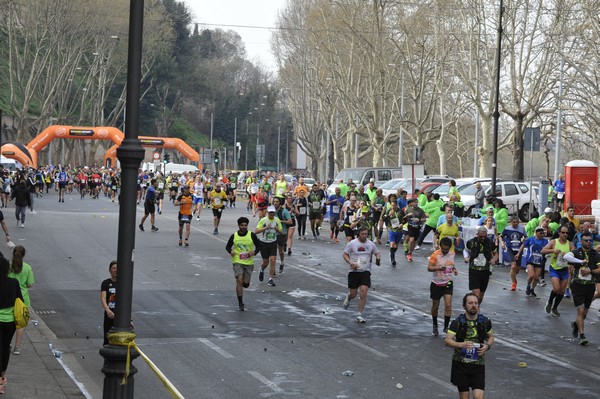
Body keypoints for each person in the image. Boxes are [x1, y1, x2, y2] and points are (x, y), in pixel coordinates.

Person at [445, 292, 494, 399]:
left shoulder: (485, 321)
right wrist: (461, 344)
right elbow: (447, 340)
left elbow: (491, 337)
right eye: (470, 303)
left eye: (476, 303)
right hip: (460, 365)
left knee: (478, 397)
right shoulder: (458, 322)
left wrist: (487, 346)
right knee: (464, 396)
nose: (473, 305)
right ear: (465, 305)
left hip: (478, 365)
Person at [564, 231, 599, 345]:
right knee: (580, 310)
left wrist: (590, 270)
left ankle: (576, 324)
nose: (589, 243)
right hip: (578, 285)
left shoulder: (595, 254)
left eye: (590, 241)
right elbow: (566, 256)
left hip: (590, 286)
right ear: (581, 241)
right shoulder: (577, 252)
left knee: (585, 312)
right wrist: (580, 261)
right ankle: (582, 335)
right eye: (586, 240)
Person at [342, 226, 381, 323]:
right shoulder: (352, 243)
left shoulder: (370, 244)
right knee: (353, 294)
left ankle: (359, 314)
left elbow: (377, 252)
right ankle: (349, 297)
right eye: (362, 234)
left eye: (366, 234)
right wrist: (351, 263)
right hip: (354, 271)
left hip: (365, 271)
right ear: (358, 234)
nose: (364, 236)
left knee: (364, 292)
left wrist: (378, 258)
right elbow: (345, 254)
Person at [225, 217, 262, 311]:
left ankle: (244, 283)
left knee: (245, 284)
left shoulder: (251, 235)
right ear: (238, 226)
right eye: (242, 225)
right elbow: (228, 246)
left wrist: (254, 252)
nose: (244, 227)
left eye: (245, 225)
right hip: (237, 261)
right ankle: (240, 302)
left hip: (249, 263)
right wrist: (231, 251)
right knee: (239, 280)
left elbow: (259, 246)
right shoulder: (234, 236)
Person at [0, 255, 23, 394]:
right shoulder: (13, 283)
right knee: (5, 348)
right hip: (10, 322)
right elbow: (20, 300)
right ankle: (2, 376)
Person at [541, 225, 574, 317]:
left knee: (562, 291)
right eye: (563, 232)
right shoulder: (553, 242)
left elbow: (575, 254)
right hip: (554, 268)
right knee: (556, 288)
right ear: (559, 233)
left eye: (567, 233)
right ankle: (550, 301)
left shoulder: (570, 244)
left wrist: (571, 259)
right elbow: (543, 250)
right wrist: (553, 250)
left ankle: (554, 308)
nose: (565, 234)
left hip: (564, 269)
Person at [427, 237, 458, 336]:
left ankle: (445, 327)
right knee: (435, 305)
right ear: (441, 247)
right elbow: (429, 268)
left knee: (448, 304)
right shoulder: (435, 255)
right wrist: (438, 268)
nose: (445, 251)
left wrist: (454, 270)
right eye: (443, 249)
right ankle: (435, 325)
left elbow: (451, 265)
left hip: (448, 283)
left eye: (447, 249)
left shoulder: (452, 254)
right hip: (436, 283)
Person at [8, 246, 33, 355]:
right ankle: (17, 348)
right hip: (23, 300)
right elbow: (30, 284)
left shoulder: (7, 265)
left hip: (9, 298)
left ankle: (8, 343)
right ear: (23, 255)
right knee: (20, 324)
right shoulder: (27, 268)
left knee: (10, 322)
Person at [463, 226, 498, 304]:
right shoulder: (471, 242)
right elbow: (465, 250)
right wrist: (466, 258)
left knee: (481, 296)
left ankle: (476, 308)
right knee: (477, 294)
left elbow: (496, 254)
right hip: (473, 271)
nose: (482, 238)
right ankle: (475, 311)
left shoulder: (490, 242)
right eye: (481, 236)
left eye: (484, 237)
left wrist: (494, 260)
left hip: (485, 271)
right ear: (477, 234)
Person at [516, 226, 549, 297]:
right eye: (540, 233)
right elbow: (523, 245)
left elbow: (548, 249)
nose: (542, 234)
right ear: (536, 233)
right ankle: (528, 285)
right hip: (530, 260)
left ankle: (532, 289)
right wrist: (518, 253)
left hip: (539, 261)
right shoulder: (530, 239)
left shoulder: (545, 241)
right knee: (531, 275)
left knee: (536, 277)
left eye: (543, 233)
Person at [255, 206, 282, 287]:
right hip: (263, 243)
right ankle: (262, 269)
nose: (271, 214)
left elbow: (281, 232)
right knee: (265, 262)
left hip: (273, 242)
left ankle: (270, 279)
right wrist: (265, 227)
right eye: (270, 212)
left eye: (272, 213)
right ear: (267, 212)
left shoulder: (277, 220)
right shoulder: (263, 220)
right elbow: (256, 231)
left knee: (273, 260)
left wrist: (277, 229)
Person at [500, 216, 527, 291]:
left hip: (519, 250)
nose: (515, 224)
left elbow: (526, 237)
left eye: (516, 222)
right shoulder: (507, 229)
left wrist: (525, 239)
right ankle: (513, 283)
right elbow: (500, 237)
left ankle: (513, 276)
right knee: (513, 266)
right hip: (510, 249)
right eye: (513, 222)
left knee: (517, 269)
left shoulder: (521, 228)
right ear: (511, 222)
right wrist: (502, 243)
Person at [380, 196, 404, 266]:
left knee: (396, 246)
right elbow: (383, 218)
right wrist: (388, 215)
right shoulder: (389, 210)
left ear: (396, 205)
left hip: (399, 230)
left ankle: (392, 253)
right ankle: (393, 259)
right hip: (391, 229)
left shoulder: (400, 211)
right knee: (392, 244)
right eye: (392, 205)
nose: (393, 207)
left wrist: (402, 224)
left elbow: (405, 219)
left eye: (394, 205)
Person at [100, 260, 117, 346]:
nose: (115, 270)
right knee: (107, 338)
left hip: (120, 316)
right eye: (113, 268)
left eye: (117, 268)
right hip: (109, 315)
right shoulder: (106, 283)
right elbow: (103, 298)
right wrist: (108, 310)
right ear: (110, 270)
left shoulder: (124, 283)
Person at [273, 197, 291, 273]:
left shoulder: (284, 211)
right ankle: (272, 269)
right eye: (274, 201)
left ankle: (282, 262)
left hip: (282, 233)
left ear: (280, 203)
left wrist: (280, 221)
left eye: (277, 202)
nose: (275, 203)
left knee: (280, 250)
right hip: (272, 233)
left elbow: (290, 222)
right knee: (273, 252)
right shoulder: (271, 211)